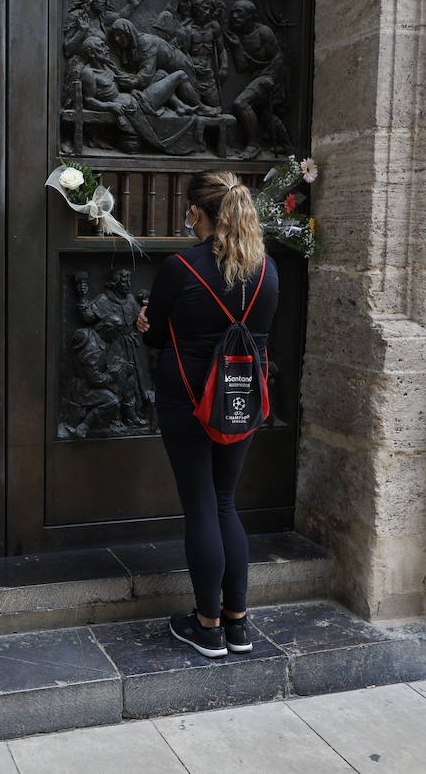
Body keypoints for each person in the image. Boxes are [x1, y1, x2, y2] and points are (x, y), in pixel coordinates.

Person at [136, 172, 279, 658]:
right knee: (224, 502)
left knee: (201, 504)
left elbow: (155, 335)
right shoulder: (267, 269)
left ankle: (207, 625)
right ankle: (237, 624)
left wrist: (144, 321)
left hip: (188, 399)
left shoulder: (182, 266)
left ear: (195, 213)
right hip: (242, 399)